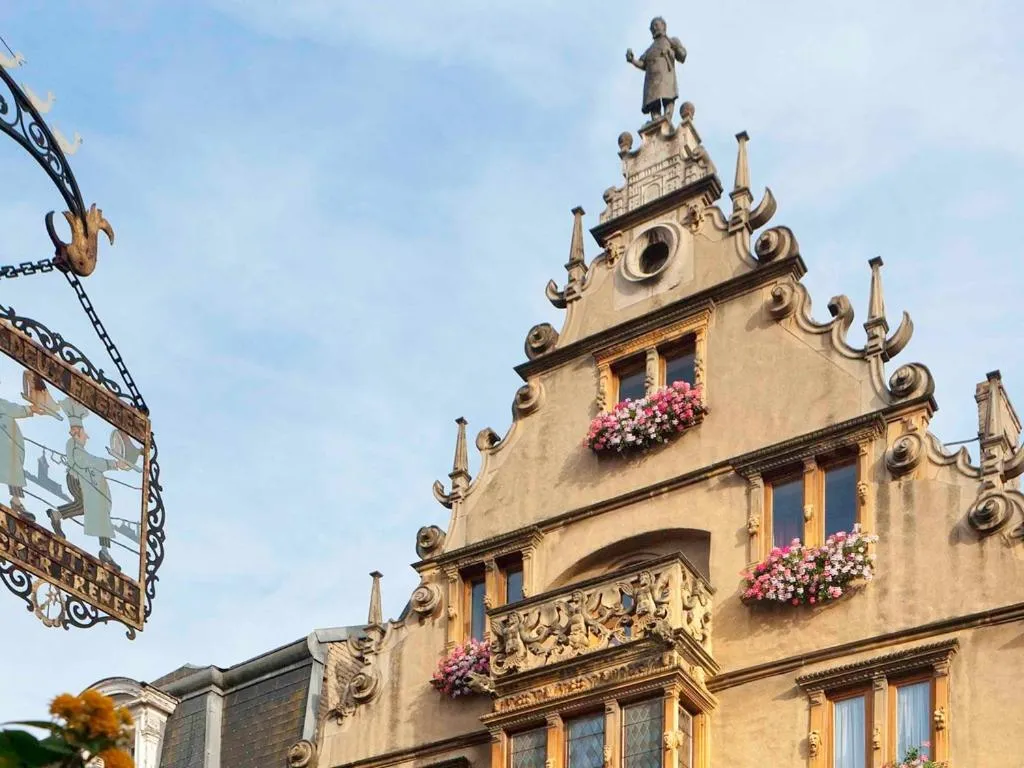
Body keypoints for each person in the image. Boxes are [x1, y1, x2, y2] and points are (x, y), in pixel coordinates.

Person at [47, 400, 129, 569]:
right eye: (84, 432)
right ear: (77, 432)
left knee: (92, 506)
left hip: (85, 483)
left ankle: (59, 515)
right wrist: (113, 464)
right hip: (77, 482)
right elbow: (87, 461)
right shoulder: (73, 446)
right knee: (91, 507)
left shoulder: (78, 447)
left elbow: (89, 462)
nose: (87, 436)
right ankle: (104, 550)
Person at [626, 17, 687, 122]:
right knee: (653, 101)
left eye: (656, 24)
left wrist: (670, 43)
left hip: (666, 76)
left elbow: (682, 55)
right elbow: (643, 63)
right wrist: (632, 60)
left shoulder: (672, 41)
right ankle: (656, 119)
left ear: (663, 26)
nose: (654, 28)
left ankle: (667, 116)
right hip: (652, 80)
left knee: (668, 97)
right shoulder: (650, 49)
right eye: (652, 27)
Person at [0, 385, 42, 520]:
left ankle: (16, 502)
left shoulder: (2, 404)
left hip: (9, 445)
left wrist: (34, 409)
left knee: (14, 470)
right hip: (6, 447)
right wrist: (33, 409)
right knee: (13, 468)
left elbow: (17, 409)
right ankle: (16, 502)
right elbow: (18, 410)